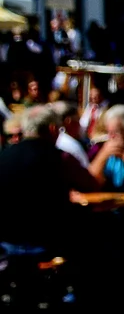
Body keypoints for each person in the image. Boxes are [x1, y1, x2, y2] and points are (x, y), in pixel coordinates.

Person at [0, 105, 97, 252]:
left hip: (7, 242)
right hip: (49, 243)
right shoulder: (61, 158)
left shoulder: (4, 156)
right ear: (52, 129)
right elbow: (91, 184)